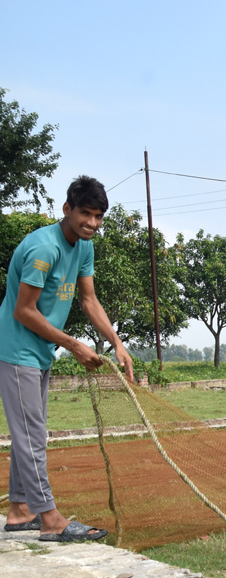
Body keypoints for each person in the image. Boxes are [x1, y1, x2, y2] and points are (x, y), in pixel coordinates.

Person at [0, 176, 133, 542]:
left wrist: (116, 343)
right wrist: (74, 346)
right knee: (32, 436)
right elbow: (24, 311)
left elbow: (89, 300)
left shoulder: (84, 246)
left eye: (98, 216)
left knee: (30, 433)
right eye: (85, 213)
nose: (91, 223)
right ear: (67, 209)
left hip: (40, 352)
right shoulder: (44, 248)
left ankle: (20, 511)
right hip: (16, 351)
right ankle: (51, 519)